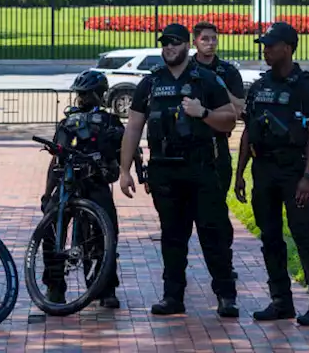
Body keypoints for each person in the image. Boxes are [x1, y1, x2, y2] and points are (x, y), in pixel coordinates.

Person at [118, 23, 240, 318]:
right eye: (165, 43)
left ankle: (226, 296)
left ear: (187, 46)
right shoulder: (150, 84)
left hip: (201, 169)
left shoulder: (207, 80)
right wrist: (124, 171)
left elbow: (229, 121)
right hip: (164, 171)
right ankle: (173, 297)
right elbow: (134, 126)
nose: (169, 48)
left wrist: (204, 113)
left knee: (212, 234)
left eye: (174, 43)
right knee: (172, 237)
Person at [234, 21, 309, 326]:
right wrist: (239, 174)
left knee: (303, 235)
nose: (265, 50)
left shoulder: (307, 85)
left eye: (271, 45)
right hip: (263, 170)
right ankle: (281, 302)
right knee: (270, 237)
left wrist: (307, 177)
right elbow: (248, 132)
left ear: (288, 48)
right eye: (264, 45)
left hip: (293, 171)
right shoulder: (261, 86)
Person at [38, 70, 125, 310]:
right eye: (82, 95)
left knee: (105, 235)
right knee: (52, 232)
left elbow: (123, 154)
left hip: (93, 184)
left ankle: (103, 288)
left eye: (87, 95)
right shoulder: (74, 123)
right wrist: (48, 195)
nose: (83, 100)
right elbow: (56, 159)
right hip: (72, 184)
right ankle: (56, 287)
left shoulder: (108, 123)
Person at [189, 21, 247, 192]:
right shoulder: (187, 69)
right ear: (195, 42)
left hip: (218, 142)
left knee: (217, 205)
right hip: (190, 143)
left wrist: (219, 86)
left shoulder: (228, 71)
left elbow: (238, 110)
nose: (210, 44)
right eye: (205, 39)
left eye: (214, 39)